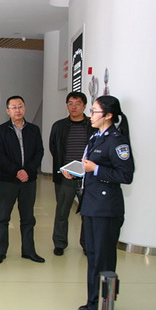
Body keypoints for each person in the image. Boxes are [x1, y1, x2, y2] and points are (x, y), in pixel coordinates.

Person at [62, 95, 134, 310]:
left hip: (106, 209)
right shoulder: (96, 137)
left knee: (103, 258)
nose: (90, 115)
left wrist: (95, 169)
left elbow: (125, 175)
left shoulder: (117, 141)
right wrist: (76, 171)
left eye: (94, 111)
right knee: (93, 256)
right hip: (91, 205)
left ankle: (104, 305)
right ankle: (93, 302)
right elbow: (89, 166)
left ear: (108, 115)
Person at [0, 96, 45, 265]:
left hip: (29, 181)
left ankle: (28, 251)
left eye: (20, 106)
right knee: (3, 217)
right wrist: (16, 171)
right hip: (8, 181)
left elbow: (39, 152)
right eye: (13, 107)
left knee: (28, 217)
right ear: (8, 111)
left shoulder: (34, 130)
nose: (17, 110)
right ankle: (0, 252)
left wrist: (27, 171)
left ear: (24, 108)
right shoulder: (1, 130)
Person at [49, 92, 96, 255]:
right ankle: (59, 243)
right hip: (65, 176)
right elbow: (54, 148)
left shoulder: (93, 126)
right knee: (62, 211)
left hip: (88, 177)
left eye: (77, 103)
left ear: (84, 106)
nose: (73, 107)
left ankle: (87, 244)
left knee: (88, 213)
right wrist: (63, 169)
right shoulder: (59, 126)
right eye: (70, 103)